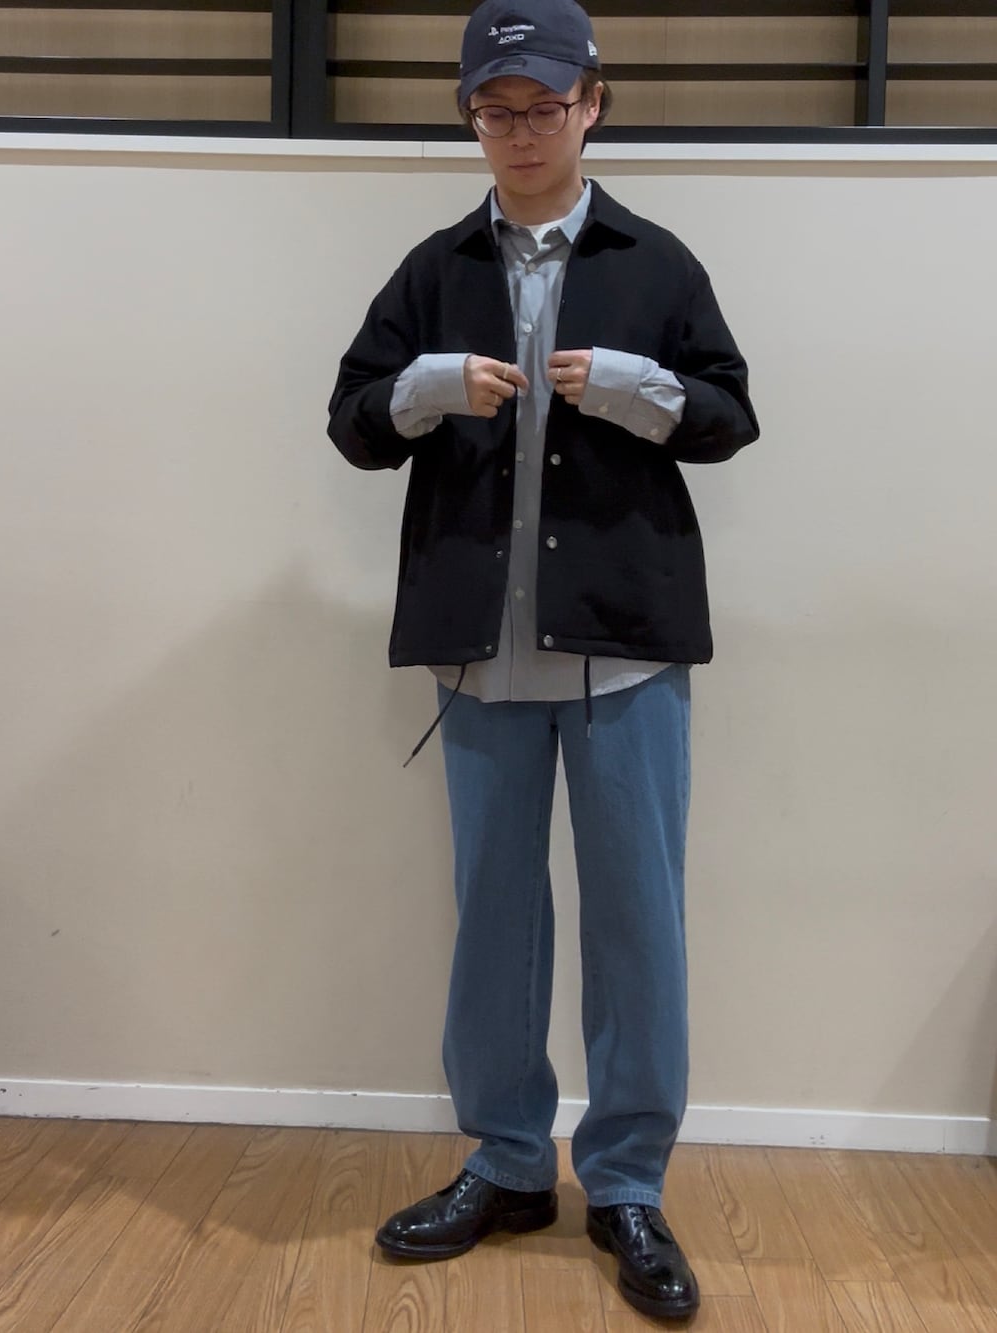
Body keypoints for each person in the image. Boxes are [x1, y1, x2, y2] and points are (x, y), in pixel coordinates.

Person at [328, 0, 759, 1320]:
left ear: (592, 105)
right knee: (496, 922)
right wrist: (423, 390)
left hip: (625, 652)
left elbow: (731, 415)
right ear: (472, 116)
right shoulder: (435, 268)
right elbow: (353, 420)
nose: (520, 131)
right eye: (495, 108)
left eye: (545, 105)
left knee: (639, 923)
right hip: (480, 656)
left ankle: (626, 1181)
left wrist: (637, 388)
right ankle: (509, 1162)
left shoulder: (654, 261)